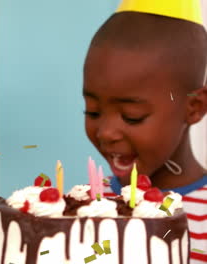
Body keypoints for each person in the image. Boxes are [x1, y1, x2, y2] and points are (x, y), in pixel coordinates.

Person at [83, 0, 207, 262]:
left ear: (194, 107)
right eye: (93, 111)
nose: (106, 132)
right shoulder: (84, 206)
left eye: (132, 117)